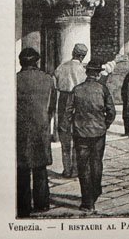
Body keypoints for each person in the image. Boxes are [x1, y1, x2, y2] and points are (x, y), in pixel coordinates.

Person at [65, 58, 116, 213]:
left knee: (83, 166)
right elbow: (111, 112)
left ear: (87, 72)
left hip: (81, 133)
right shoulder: (103, 89)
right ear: (98, 74)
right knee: (96, 163)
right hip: (99, 133)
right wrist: (104, 125)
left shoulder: (77, 89)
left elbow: (67, 112)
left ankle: (87, 202)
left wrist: (72, 126)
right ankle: (95, 192)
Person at [16, 48, 57, 217]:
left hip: (21, 130)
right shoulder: (47, 79)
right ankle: (42, 203)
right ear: (36, 62)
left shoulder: (15, 80)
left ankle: (24, 207)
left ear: (21, 62)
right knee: (40, 168)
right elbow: (52, 106)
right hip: (41, 129)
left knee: (22, 169)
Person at [53, 43, 87, 178]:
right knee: (78, 139)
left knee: (65, 139)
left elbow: (55, 84)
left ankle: (67, 170)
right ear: (82, 56)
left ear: (73, 52)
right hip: (77, 103)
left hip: (63, 101)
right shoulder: (82, 69)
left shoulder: (61, 67)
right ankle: (76, 170)